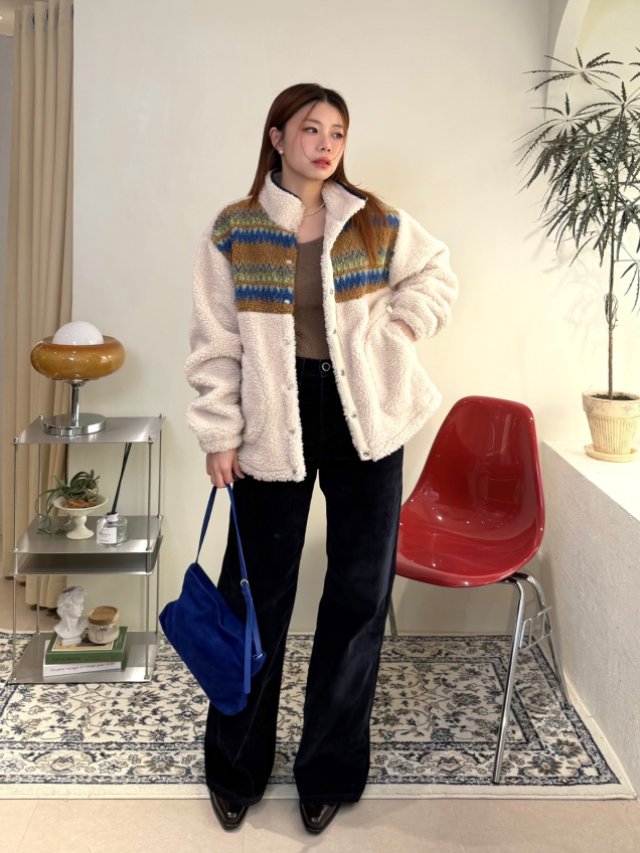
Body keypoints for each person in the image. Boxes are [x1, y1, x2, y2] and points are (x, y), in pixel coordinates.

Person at [185, 83, 458, 834]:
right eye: (311, 128)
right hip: (274, 423)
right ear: (277, 137)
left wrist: (398, 332)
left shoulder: (370, 218)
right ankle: (237, 765)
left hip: (365, 416)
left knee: (358, 595)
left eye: (337, 131)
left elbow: (437, 273)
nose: (326, 143)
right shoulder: (235, 229)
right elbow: (215, 342)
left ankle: (329, 768)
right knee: (254, 597)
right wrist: (220, 433)